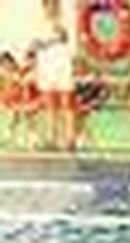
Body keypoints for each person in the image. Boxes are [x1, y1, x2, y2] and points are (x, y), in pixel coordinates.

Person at [32, 0, 73, 151]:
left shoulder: (65, 19)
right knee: (50, 103)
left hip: (61, 65)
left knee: (66, 102)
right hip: (46, 66)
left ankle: (69, 139)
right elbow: (35, 45)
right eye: (48, 6)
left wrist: (57, 25)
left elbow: (64, 36)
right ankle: (52, 138)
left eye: (54, 5)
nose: (51, 9)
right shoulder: (38, 24)